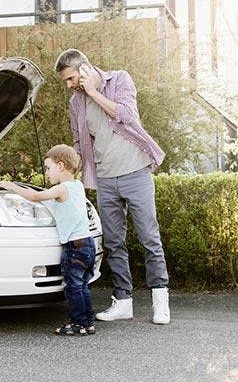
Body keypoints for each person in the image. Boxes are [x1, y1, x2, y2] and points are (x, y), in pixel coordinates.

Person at [54, 48, 170, 325]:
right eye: (66, 81)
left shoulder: (119, 80)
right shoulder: (75, 103)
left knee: (149, 238)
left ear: (84, 69)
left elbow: (127, 116)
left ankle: (160, 300)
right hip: (106, 178)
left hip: (136, 172)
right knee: (114, 241)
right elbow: (80, 142)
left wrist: (94, 92)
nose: (69, 86)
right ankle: (123, 302)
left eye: (71, 79)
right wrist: (65, 169)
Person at [0, 144, 97, 336]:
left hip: (74, 247)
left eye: (48, 167)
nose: (46, 172)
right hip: (87, 244)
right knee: (82, 285)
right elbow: (56, 203)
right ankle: (88, 322)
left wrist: (12, 186)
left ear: (60, 166)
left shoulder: (61, 189)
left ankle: (77, 324)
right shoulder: (77, 187)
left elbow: (36, 196)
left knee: (73, 286)